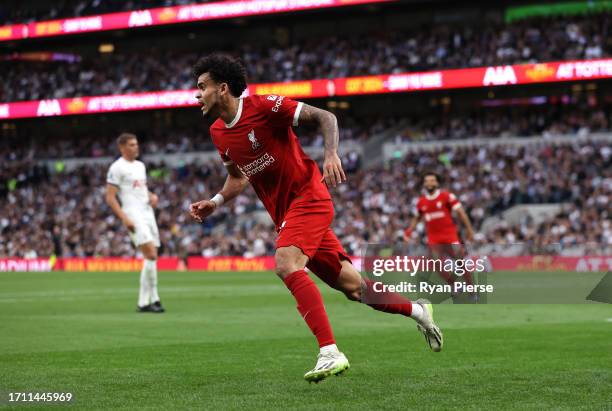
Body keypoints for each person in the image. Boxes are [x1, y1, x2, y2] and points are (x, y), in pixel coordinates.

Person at [188, 54, 442, 383]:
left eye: (202, 87)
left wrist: (331, 153)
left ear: (222, 89)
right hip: (287, 215)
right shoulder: (218, 133)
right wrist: (216, 200)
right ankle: (419, 311)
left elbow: (325, 116)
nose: (197, 94)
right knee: (355, 288)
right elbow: (239, 178)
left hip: (310, 197)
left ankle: (329, 352)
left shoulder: (263, 107)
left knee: (286, 263)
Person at [105, 133, 164, 313]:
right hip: (133, 214)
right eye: (131, 145)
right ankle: (153, 298)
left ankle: (144, 302)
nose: (135, 147)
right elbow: (110, 197)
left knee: (151, 257)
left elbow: (141, 189)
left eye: (136, 144)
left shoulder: (140, 166)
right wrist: (124, 218)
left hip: (147, 212)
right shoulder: (116, 168)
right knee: (151, 254)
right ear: (122, 147)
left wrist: (152, 196)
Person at [404, 172, 477, 294]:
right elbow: (417, 217)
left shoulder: (446, 196)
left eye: (432, 180)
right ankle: (454, 285)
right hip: (434, 239)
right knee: (435, 264)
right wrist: (409, 231)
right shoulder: (421, 202)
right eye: (427, 181)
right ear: (424, 184)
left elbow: (461, 213)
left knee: (460, 262)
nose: (429, 183)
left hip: (450, 236)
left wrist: (469, 230)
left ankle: (472, 289)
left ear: (437, 183)